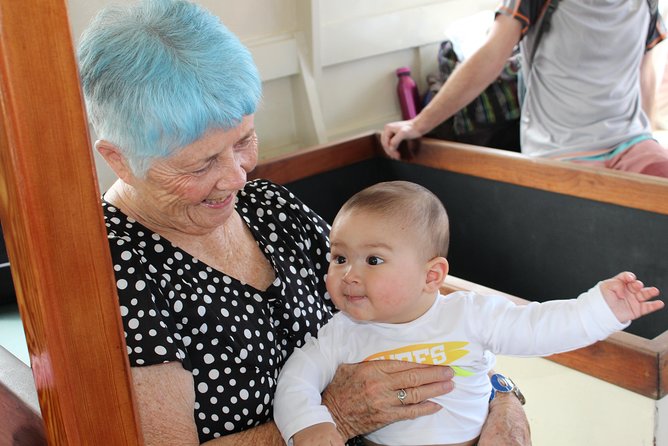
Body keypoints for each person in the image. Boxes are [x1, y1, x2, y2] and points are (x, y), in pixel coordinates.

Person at [77, 1, 531, 444]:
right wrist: (332, 417)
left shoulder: (271, 207)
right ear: (119, 159)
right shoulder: (113, 269)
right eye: (199, 166)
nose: (237, 177)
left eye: (244, 140)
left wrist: (500, 396)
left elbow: (413, 314)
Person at [273, 180, 664, 446]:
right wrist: (308, 424)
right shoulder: (340, 334)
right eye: (339, 257)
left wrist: (601, 309)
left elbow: (538, 328)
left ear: (432, 275)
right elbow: (296, 379)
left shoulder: (469, 315)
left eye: (373, 259)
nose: (349, 274)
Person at [380, 1, 668, 178]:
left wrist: (649, 137)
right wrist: (418, 124)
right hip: (562, 149)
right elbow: (491, 55)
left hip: (631, 142)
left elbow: (645, 68)